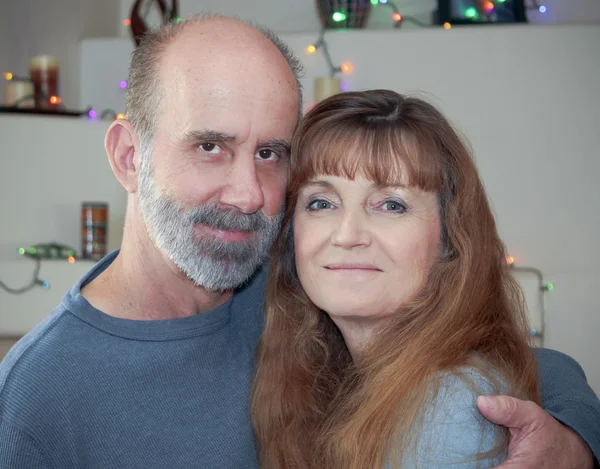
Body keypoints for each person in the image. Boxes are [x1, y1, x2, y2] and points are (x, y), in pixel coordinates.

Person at [0, 14, 598, 469]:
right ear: (130, 157)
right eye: (210, 146)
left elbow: (531, 368)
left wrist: (573, 443)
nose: (248, 194)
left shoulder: (286, 277)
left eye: (270, 154)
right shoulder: (41, 391)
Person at [250, 89, 574, 468]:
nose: (347, 234)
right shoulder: (324, 374)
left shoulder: (451, 405)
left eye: (391, 205)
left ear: (450, 241)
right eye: (321, 202)